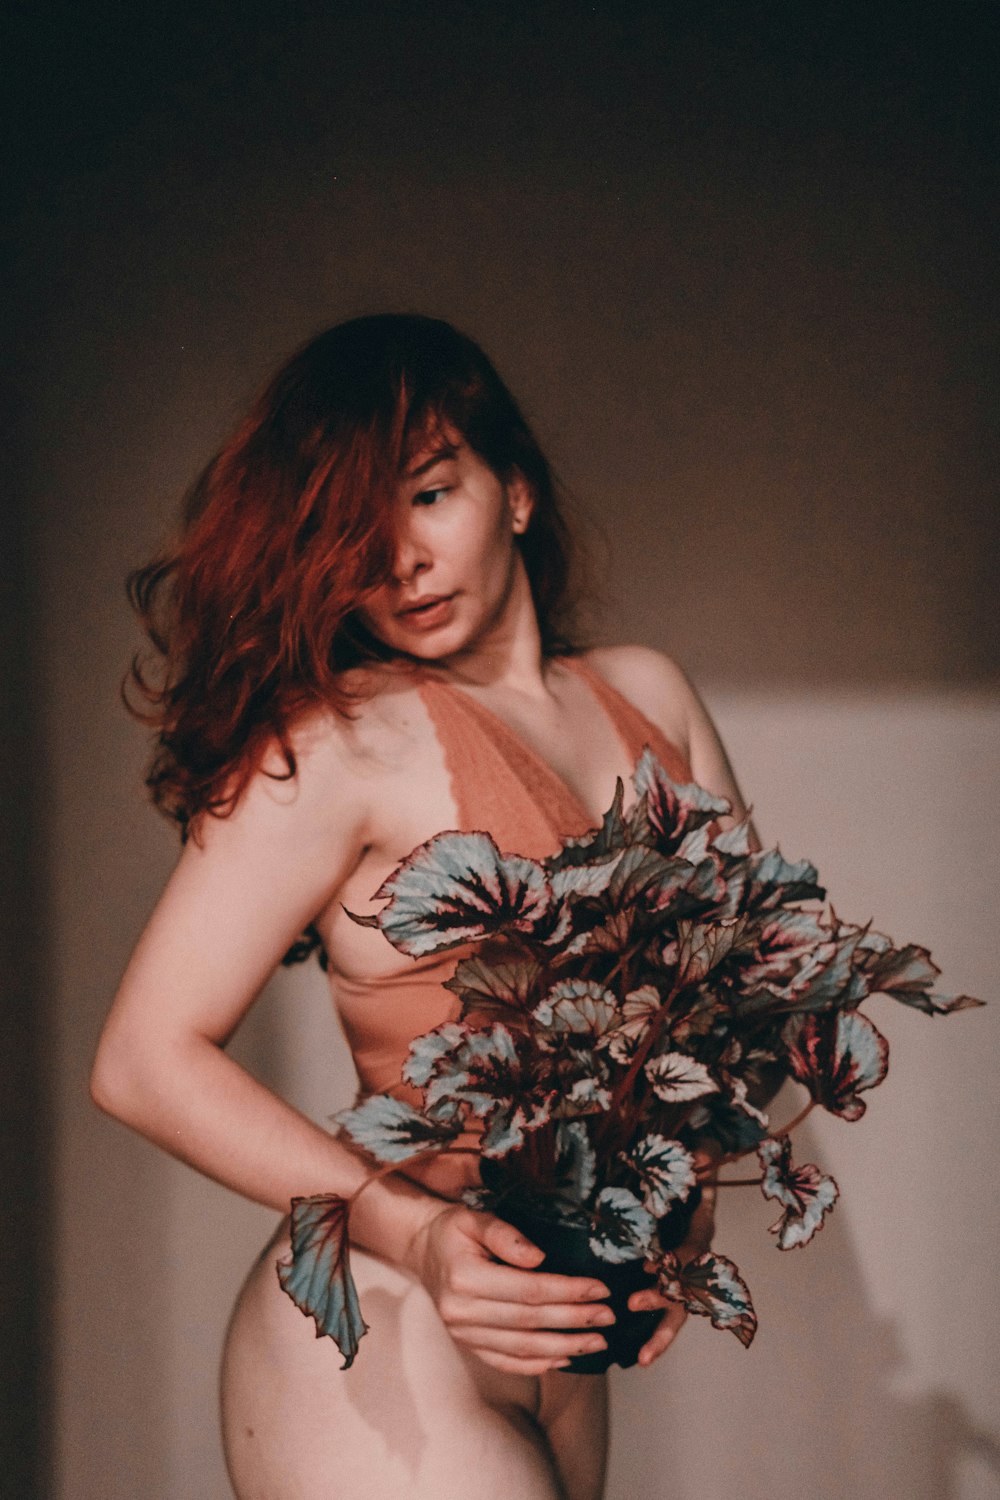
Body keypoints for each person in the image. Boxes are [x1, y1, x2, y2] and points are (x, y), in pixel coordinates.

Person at [90, 314, 760, 1500]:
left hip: (556, 1325)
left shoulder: (648, 694)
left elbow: (748, 999)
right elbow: (142, 1060)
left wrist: (686, 1197)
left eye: (430, 494)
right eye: (353, 531)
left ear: (516, 491)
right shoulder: (340, 742)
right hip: (380, 1320)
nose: (398, 559)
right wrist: (417, 1235)